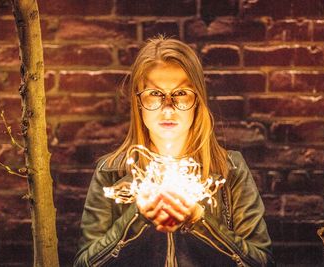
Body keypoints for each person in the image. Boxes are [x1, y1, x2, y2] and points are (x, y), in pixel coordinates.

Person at [74, 36, 275, 267]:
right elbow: (84, 264)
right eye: (154, 94)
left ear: (198, 100)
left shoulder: (229, 170)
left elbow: (262, 263)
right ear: (138, 101)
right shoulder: (112, 172)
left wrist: (199, 221)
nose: (168, 109)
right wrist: (137, 218)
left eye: (180, 94)